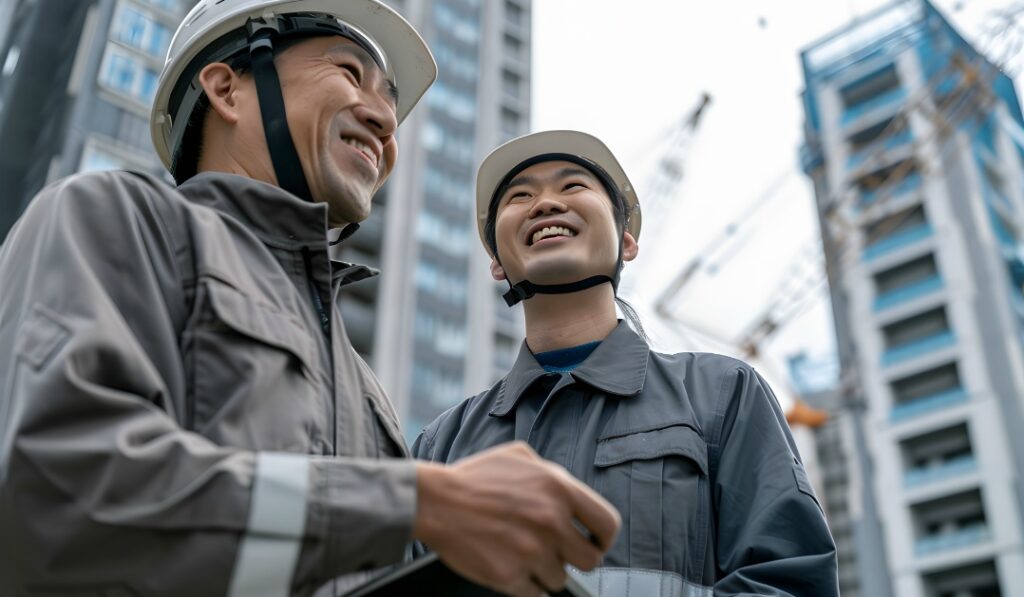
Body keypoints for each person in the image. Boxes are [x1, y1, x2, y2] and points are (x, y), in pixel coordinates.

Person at [0, 3, 619, 596]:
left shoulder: (362, 384)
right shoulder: (112, 220)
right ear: (225, 88)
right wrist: (414, 501)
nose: (384, 120)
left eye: (391, 103)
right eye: (350, 74)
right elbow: (53, 495)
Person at [412, 130, 840, 596]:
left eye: (573, 186)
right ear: (496, 262)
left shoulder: (722, 393)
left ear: (628, 242)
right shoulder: (441, 445)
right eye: (520, 196)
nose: (545, 204)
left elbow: (789, 582)